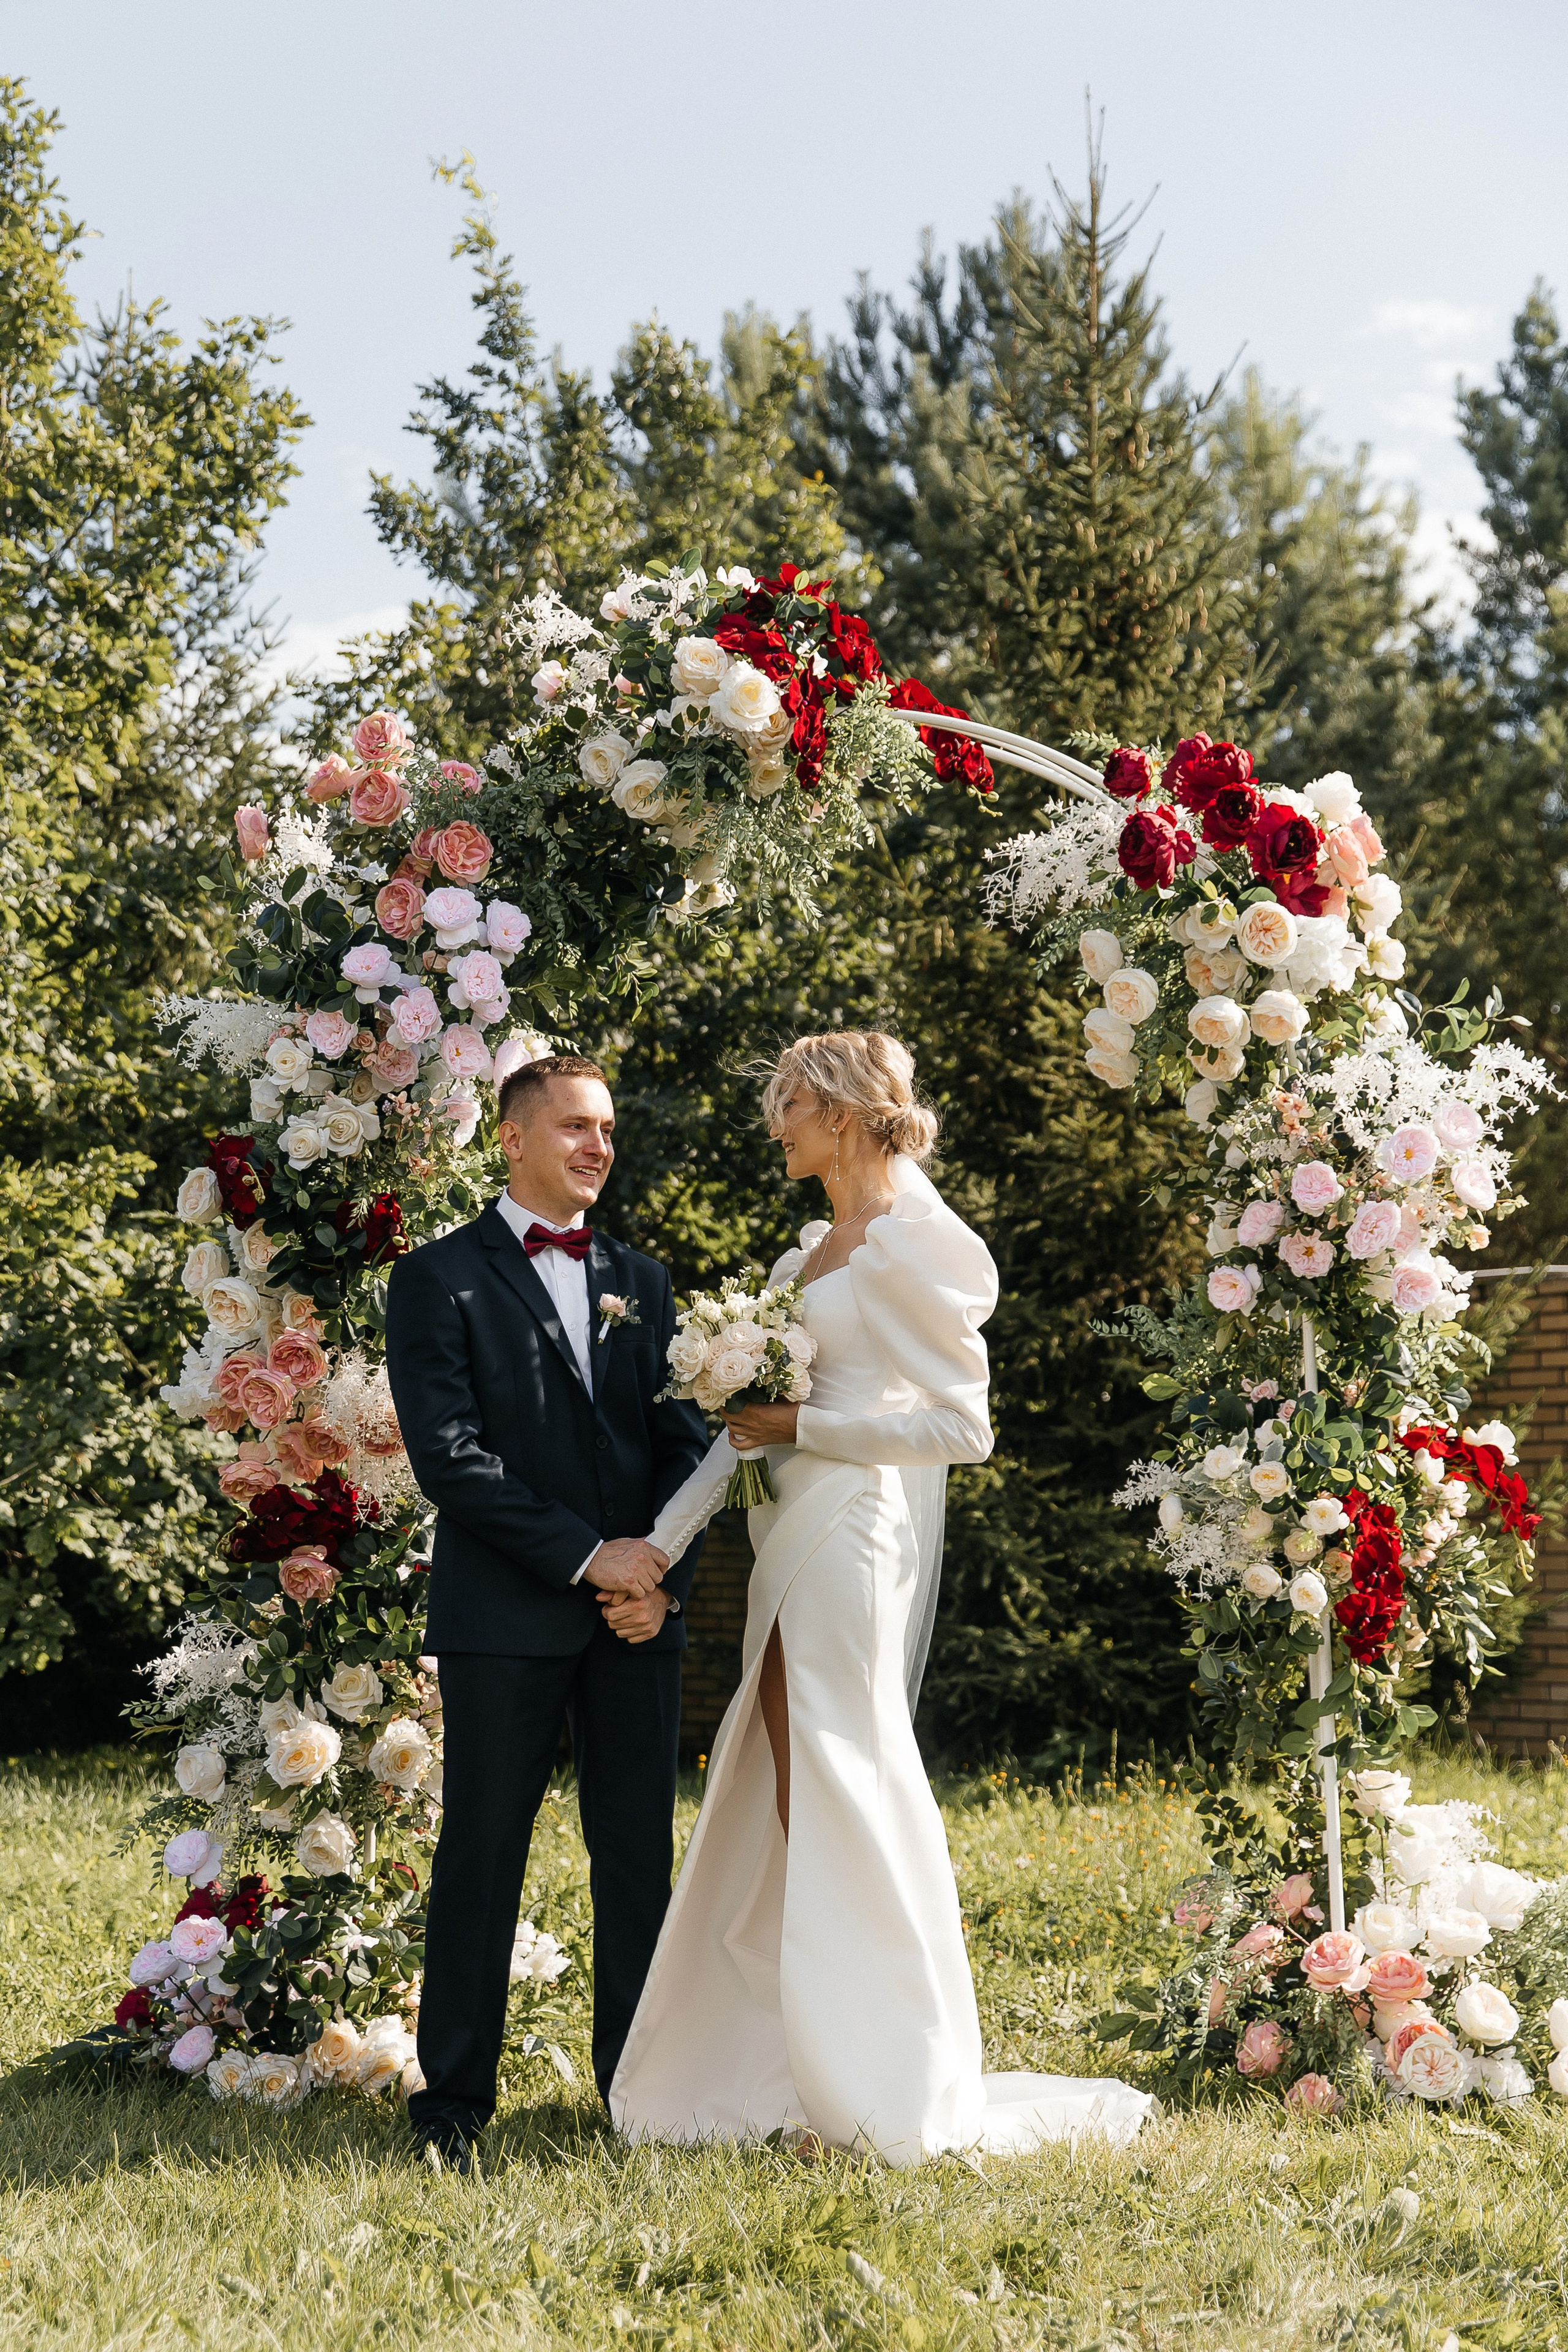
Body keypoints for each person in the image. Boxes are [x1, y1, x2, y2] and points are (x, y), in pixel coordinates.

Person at [611, 1030, 1152, 2162]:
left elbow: (963, 1428)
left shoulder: (920, 1246)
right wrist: (656, 1546)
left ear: (848, 1113)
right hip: (782, 1540)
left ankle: (877, 2083)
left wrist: (808, 1428)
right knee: (788, 1787)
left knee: (845, 1778)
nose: (777, 1124)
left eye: (791, 1103)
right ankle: (806, 2070)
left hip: (856, 1538)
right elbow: (735, 1434)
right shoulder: (804, 1254)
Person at [385, 1052, 710, 2169]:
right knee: (481, 1855)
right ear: (514, 1139)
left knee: (637, 1860)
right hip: (504, 1618)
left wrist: (658, 1574)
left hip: (635, 1618)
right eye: (575, 1126)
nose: (598, 1146)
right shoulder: (439, 1280)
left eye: (608, 1128)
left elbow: (689, 1449)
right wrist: (591, 1558)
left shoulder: (645, 1279)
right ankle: (453, 2110)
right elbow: (453, 1463)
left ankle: (640, 2093)